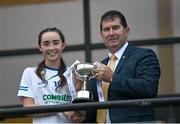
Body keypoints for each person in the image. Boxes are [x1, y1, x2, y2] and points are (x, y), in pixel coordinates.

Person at [85, 10, 161, 123]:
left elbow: (149, 89)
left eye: (115, 27)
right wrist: (82, 114)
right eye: (106, 29)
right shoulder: (100, 66)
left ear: (126, 31)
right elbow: (96, 105)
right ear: (102, 35)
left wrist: (112, 78)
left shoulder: (144, 55)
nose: (111, 33)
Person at [17, 27, 85, 123]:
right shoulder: (29, 73)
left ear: (63, 45)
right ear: (40, 47)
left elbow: (80, 113)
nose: (51, 48)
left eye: (56, 43)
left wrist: (79, 115)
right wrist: (60, 108)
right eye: (46, 44)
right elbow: (28, 108)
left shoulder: (74, 73)